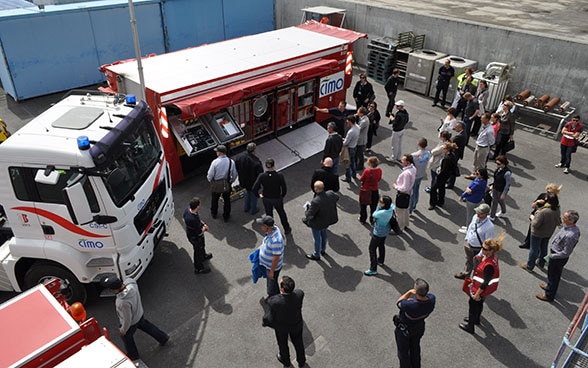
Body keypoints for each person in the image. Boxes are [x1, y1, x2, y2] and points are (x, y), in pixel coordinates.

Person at [100, 276, 169, 361]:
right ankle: (163, 338)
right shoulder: (132, 284)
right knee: (147, 326)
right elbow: (128, 279)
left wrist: (123, 330)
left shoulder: (122, 302)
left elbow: (127, 319)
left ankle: (133, 356)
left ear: (114, 290)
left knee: (127, 337)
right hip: (139, 314)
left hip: (132, 323)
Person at [458, 235, 503, 334]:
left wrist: (477, 294)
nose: (482, 250)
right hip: (481, 288)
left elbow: (485, 283)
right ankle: (476, 319)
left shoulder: (489, 266)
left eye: (485, 249)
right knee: (479, 304)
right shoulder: (492, 257)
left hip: (480, 289)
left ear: (491, 250)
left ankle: (470, 326)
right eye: (482, 247)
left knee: (473, 305)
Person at [536, 210, 581, 302]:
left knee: (554, 276)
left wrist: (553, 256)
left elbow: (565, 252)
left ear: (571, 221)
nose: (562, 218)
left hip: (558, 258)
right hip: (555, 254)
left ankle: (549, 295)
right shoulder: (568, 227)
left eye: (565, 217)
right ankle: (549, 286)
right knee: (551, 273)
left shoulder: (571, 235)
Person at [266, 276, 306, 368]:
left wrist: (266, 322)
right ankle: (301, 361)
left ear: (282, 289)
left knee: (283, 344)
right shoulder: (299, 294)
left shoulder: (275, 301)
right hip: (296, 324)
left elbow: (270, 316)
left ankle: (286, 361)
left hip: (282, 327)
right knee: (298, 342)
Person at [394, 278, 436, 367]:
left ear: (416, 291)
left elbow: (398, 302)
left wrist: (409, 292)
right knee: (415, 348)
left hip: (405, 330)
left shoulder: (409, 305)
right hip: (419, 327)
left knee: (403, 352)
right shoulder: (432, 299)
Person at [520, 193, 561, 272]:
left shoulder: (543, 212)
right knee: (544, 248)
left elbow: (535, 224)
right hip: (548, 232)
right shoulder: (557, 209)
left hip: (537, 233)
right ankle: (541, 263)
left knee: (534, 249)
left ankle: (529, 266)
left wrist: (532, 217)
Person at [454, 203, 495, 279]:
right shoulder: (475, 217)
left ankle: (475, 280)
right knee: (469, 260)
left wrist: (481, 254)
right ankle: (466, 274)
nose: (478, 214)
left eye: (480, 213)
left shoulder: (489, 227)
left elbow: (488, 243)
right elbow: (470, 228)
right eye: (477, 212)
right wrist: (467, 238)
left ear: (486, 214)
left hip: (477, 249)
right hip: (468, 244)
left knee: (477, 266)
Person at [253, 158, 292, 235]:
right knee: (281, 213)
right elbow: (284, 188)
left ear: (266, 166)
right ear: (274, 166)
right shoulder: (279, 175)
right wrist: (282, 196)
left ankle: (271, 229)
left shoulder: (262, 176)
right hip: (277, 198)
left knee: (269, 214)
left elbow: (254, 188)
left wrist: (258, 195)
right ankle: (286, 229)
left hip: (266, 198)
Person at [303, 181, 339, 261]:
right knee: (324, 235)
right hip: (327, 220)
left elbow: (309, 215)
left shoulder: (316, 201)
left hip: (317, 223)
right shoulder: (330, 194)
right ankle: (323, 250)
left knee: (317, 238)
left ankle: (316, 254)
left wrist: (307, 209)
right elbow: (337, 197)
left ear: (315, 189)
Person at [519, 183, 563, 249]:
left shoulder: (553, 200)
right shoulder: (542, 195)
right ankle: (527, 242)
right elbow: (532, 206)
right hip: (535, 215)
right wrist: (537, 202)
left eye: (551, 193)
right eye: (548, 192)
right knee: (531, 229)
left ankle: (535, 247)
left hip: (543, 218)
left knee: (538, 232)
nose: (548, 194)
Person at [364, 195, 394, 276]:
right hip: (385, 231)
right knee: (381, 245)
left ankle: (373, 269)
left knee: (372, 249)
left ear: (384, 204)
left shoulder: (382, 213)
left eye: (380, 202)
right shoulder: (390, 208)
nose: (379, 203)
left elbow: (374, 214)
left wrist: (378, 207)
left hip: (378, 232)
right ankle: (381, 260)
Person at [207, 144, 238, 222]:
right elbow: (234, 174)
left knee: (214, 199)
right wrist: (230, 182)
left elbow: (210, 175)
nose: (216, 153)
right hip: (226, 184)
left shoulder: (215, 162)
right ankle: (226, 216)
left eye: (217, 151)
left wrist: (210, 181)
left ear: (220, 153)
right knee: (227, 200)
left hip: (216, 184)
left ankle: (214, 213)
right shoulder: (231, 162)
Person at [256, 215, 285, 297]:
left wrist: (272, 271)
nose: (260, 227)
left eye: (262, 225)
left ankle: (273, 297)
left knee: (271, 285)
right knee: (272, 282)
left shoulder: (276, 241)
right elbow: (266, 241)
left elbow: (276, 257)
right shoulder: (271, 230)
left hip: (272, 267)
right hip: (268, 265)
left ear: (266, 227)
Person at [183, 197, 212, 274]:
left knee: (202, 246)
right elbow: (199, 232)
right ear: (197, 207)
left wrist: (203, 224)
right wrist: (205, 228)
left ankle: (203, 256)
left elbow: (199, 221)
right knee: (197, 251)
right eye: (199, 204)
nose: (200, 205)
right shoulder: (193, 220)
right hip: (195, 237)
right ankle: (199, 268)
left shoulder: (188, 210)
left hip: (192, 233)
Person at [464, 112, 495, 179]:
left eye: (482, 118)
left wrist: (486, 145)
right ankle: (474, 174)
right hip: (478, 145)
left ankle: (480, 178)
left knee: (480, 164)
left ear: (487, 119)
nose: (481, 119)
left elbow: (492, 141)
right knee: (475, 162)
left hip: (483, 148)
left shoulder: (489, 130)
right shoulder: (484, 126)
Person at [235, 142, 264, 215]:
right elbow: (260, 173)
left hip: (243, 180)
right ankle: (253, 210)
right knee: (254, 195)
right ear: (254, 150)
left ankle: (246, 207)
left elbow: (236, 167)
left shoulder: (240, 157)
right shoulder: (256, 161)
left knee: (248, 192)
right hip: (253, 182)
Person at [428, 142, 457, 210]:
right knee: (441, 188)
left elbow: (443, 170)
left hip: (442, 176)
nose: (443, 149)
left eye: (444, 148)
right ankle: (441, 201)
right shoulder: (452, 155)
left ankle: (433, 203)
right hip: (447, 176)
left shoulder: (446, 158)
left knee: (433, 189)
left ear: (447, 149)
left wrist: (438, 173)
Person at [458, 168, 488, 233]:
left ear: (481, 175)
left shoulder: (477, 184)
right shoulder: (483, 181)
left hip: (472, 201)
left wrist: (462, 196)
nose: (476, 175)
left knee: (470, 216)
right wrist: (468, 188)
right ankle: (469, 227)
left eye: (477, 174)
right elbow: (470, 186)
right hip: (478, 199)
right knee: (473, 215)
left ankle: (468, 229)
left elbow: (469, 191)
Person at [394, 154, 416, 231]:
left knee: (399, 212)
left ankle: (399, 228)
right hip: (409, 192)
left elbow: (404, 187)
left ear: (408, 162)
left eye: (403, 160)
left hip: (403, 194)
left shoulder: (406, 173)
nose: (401, 161)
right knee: (405, 209)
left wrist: (396, 187)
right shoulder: (413, 168)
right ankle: (406, 223)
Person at [409, 138, 431, 214]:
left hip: (415, 175)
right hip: (422, 174)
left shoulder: (414, 155)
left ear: (418, 145)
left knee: (412, 192)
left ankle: (410, 209)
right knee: (416, 190)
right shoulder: (428, 153)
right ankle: (415, 205)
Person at [358, 156, 383, 224]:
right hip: (375, 190)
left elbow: (361, 179)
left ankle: (363, 219)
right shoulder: (379, 170)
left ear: (371, 164)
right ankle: (372, 219)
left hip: (366, 190)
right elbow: (379, 179)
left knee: (363, 205)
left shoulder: (367, 171)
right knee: (373, 206)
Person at [489, 155, 512, 220]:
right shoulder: (498, 169)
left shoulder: (507, 173)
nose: (497, 165)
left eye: (499, 164)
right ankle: (492, 215)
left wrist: (504, 193)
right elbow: (496, 179)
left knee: (499, 201)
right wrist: (492, 185)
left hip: (501, 190)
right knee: (494, 201)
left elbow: (507, 184)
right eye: (496, 163)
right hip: (495, 188)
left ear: (503, 164)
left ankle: (499, 213)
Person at [341, 115, 360, 183]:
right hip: (354, 146)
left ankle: (348, 178)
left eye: (347, 121)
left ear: (350, 121)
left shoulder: (351, 132)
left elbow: (345, 143)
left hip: (349, 149)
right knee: (353, 162)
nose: (346, 122)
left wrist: (342, 141)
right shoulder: (357, 127)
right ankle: (354, 174)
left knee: (347, 164)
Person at [355, 106, 370, 172]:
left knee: (360, 153)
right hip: (361, 139)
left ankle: (360, 166)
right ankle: (357, 164)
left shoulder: (364, 121)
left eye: (358, 112)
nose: (357, 113)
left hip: (361, 140)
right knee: (358, 153)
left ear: (362, 113)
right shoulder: (362, 119)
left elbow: (358, 128)